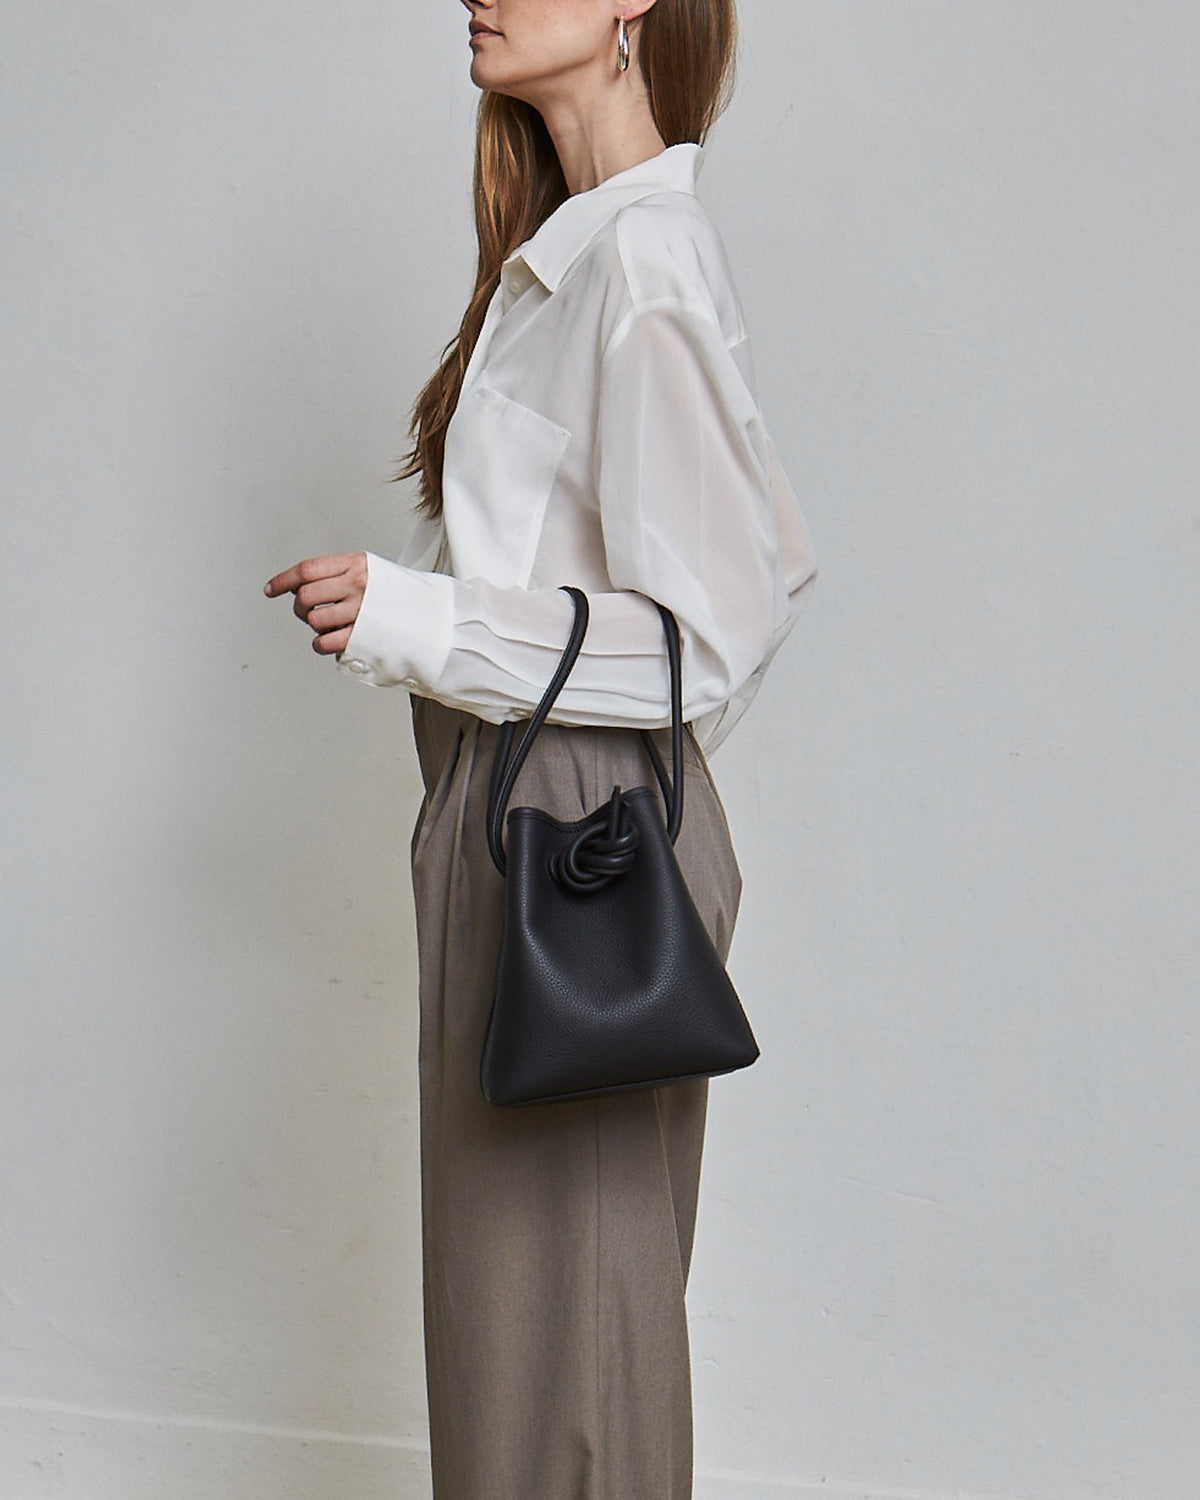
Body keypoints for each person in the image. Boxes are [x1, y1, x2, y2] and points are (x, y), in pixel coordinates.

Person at [265, 2, 817, 1495]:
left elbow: (711, 634)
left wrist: (423, 620)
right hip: (514, 805)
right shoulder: (565, 260)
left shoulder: (641, 259)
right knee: (514, 1342)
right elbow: (756, 562)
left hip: (580, 830)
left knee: (573, 1359)